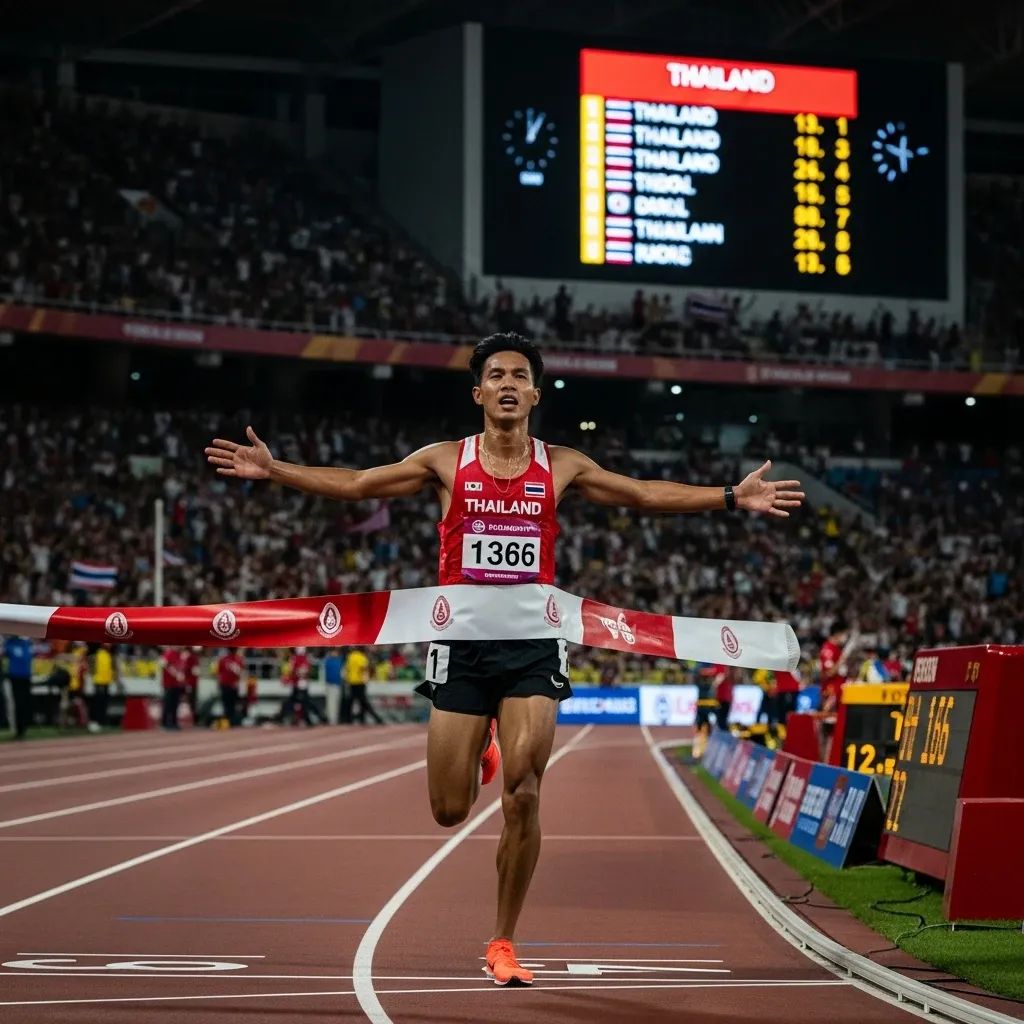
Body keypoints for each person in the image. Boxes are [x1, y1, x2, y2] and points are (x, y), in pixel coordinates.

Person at [205, 331, 804, 985]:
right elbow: (356, 484)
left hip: (532, 645)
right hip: (459, 647)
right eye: (497, 375)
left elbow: (638, 493)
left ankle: (503, 941)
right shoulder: (444, 461)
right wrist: (276, 469)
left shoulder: (563, 464)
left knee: (524, 792)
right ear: (479, 392)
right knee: (448, 810)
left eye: (520, 374)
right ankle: (482, 745)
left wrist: (729, 496)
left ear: (536, 393)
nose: (509, 383)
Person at [3, 634, 34, 739]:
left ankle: (24, 727)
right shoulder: (10, 643)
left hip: (26, 676)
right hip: (15, 677)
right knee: (17, 703)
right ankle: (18, 729)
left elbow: (29, 657)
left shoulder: (26, 643)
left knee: (25, 702)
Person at [346, 646, 383, 725]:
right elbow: (364, 668)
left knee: (352, 701)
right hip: (360, 682)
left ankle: (349, 719)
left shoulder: (350, 656)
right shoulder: (362, 657)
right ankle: (374, 718)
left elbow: (347, 668)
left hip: (351, 681)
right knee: (363, 702)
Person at [89, 643, 117, 733]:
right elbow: (92, 667)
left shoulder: (110, 655)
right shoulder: (97, 655)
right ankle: (94, 721)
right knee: (97, 703)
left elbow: (113, 668)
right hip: (98, 682)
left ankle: (101, 722)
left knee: (104, 703)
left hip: (106, 682)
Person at [216, 647, 245, 725]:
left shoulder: (223, 659)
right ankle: (231, 721)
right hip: (231, 685)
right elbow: (241, 673)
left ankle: (228, 720)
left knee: (228, 704)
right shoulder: (238, 660)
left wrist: (219, 684)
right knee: (231, 704)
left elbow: (219, 674)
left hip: (227, 685)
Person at [160, 646, 185, 730]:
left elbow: (181, 667)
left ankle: (174, 722)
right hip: (169, 684)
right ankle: (166, 723)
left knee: (175, 704)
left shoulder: (180, 655)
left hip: (176, 684)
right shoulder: (169, 653)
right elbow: (164, 664)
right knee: (168, 704)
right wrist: (175, 674)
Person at [322, 649, 345, 724]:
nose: (334, 653)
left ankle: (334, 719)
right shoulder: (328, 661)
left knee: (336, 702)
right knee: (331, 703)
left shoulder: (339, 660)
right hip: (330, 684)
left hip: (337, 684)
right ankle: (332, 720)